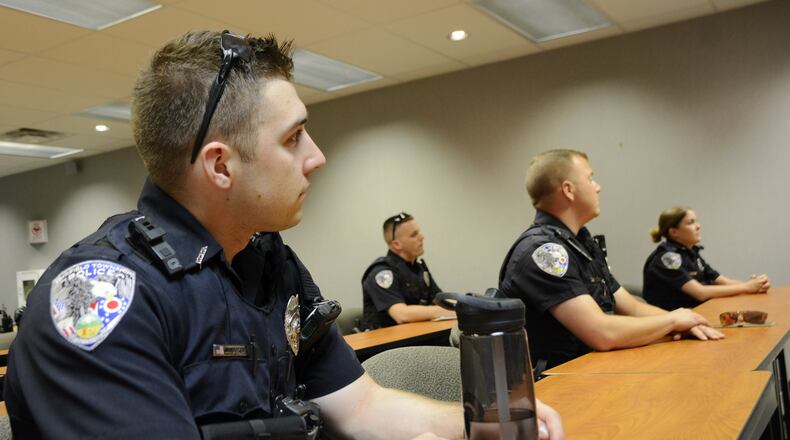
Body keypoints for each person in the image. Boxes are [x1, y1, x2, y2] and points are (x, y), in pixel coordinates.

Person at [4, 31, 563, 439]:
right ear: (221, 167)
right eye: (294, 137)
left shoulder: (269, 261)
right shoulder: (98, 299)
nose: (317, 157)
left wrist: (487, 427)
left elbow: (359, 407)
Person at [498, 149, 724, 374]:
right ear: (568, 189)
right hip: (559, 385)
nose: (598, 186)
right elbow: (601, 332)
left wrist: (689, 321)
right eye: (590, 178)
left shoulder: (581, 244)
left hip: (595, 370)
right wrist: (673, 321)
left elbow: (632, 307)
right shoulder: (543, 251)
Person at [642, 207, 770, 310]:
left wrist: (755, 286)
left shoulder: (690, 252)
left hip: (698, 313)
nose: (698, 226)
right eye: (690, 222)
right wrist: (746, 288)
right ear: (674, 232)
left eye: (696, 221)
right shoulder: (667, 258)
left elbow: (721, 280)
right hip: (671, 324)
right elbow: (701, 293)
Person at [360, 212, 455, 330]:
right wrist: (445, 311)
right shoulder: (381, 272)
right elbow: (401, 314)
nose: (421, 237)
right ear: (397, 244)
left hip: (416, 336)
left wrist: (463, 306)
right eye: (414, 235)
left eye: (419, 232)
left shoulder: (418, 268)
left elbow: (439, 299)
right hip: (388, 344)